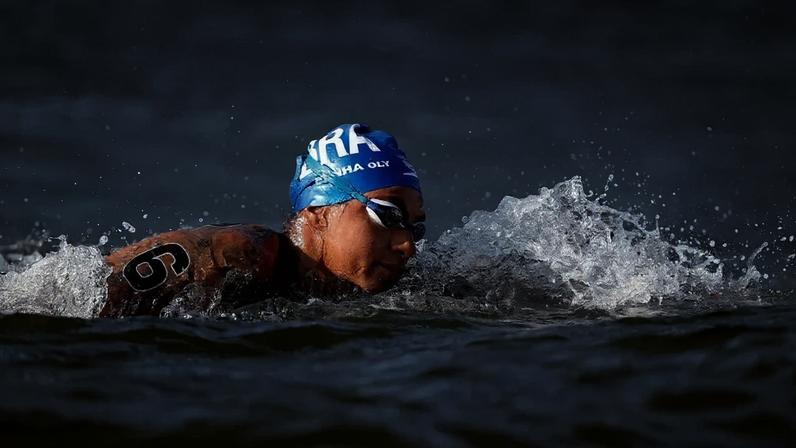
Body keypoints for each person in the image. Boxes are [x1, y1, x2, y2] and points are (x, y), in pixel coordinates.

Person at [99, 123, 426, 317]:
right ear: (319, 212)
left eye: (415, 226)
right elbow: (91, 298)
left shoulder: (401, 287)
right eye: (387, 214)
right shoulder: (228, 254)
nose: (407, 245)